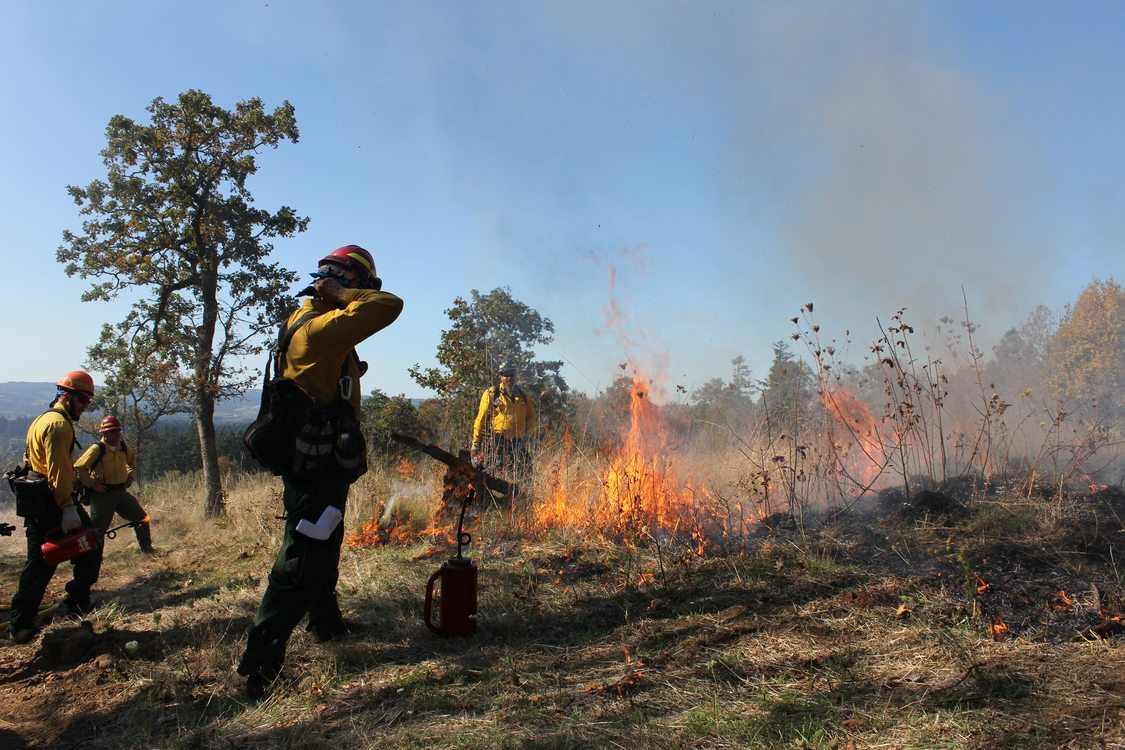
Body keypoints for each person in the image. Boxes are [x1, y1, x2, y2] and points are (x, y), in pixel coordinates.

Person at [237, 244, 403, 700]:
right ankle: (260, 666)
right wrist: (343, 292)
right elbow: (391, 306)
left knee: (325, 539)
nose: (367, 295)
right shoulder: (320, 327)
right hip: (315, 465)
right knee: (303, 556)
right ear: (341, 283)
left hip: (323, 460)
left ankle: (325, 623)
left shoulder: (307, 319)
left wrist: (339, 292)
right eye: (361, 286)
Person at [8, 370, 103, 644]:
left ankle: (23, 622)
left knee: (40, 564)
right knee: (84, 545)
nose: (84, 408)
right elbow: (59, 472)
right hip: (52, 501)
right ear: (68, 396)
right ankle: (72, 604)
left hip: (38, 500)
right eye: (83, 401)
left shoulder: (43, 419)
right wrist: (67, 507)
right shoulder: (59, 426)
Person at [74, 415, 154, 554]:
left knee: (142, 518)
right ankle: (94, 560)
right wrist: (93, 484)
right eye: (112, 432)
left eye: (118, 431)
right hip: (102, 495)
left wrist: (129, 477)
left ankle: (147, 549)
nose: (116, 434)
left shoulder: (124, 448)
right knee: (97, 531)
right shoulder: (96, 449)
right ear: (105, 433)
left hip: (120, 492)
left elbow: (132, 464)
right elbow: (79, 468)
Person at [470, 360, 537, 479]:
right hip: (497, 442)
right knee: (493, 473)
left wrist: (527, 435)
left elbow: (532, 417)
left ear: (516, 375)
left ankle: (522, 496)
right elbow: (481, 418)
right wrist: (476, 443)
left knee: (526, 474)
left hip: (517, 443)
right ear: (500, 376)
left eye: (511, 374)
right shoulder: (491, 393)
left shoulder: (523, 395)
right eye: (505, 375)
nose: (509, 378)